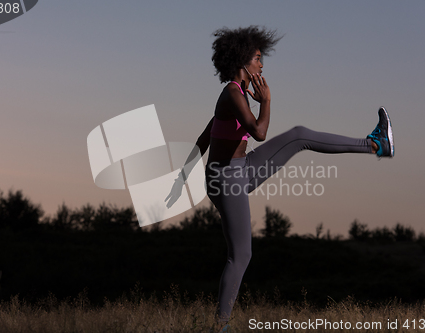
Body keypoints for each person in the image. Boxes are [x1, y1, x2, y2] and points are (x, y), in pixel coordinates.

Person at [168, 26, 394, 333]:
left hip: (235, 170)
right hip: (228, 179)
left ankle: (377, 143)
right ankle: (221, 327)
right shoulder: (233, 94)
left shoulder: (237, 94)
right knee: (242, 254)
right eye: (258, 58)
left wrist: (182, 176)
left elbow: (204, 137)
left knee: (299, 135)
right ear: (242, 61)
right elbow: (259, 133)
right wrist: (267, 102)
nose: (262, 65)